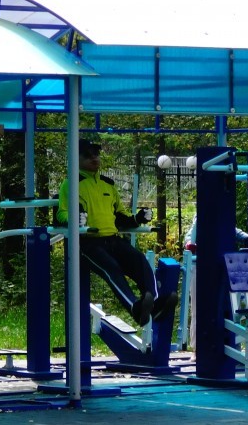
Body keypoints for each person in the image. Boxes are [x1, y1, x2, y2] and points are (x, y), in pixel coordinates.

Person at [57, 139, 179, 326]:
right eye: (87, 155)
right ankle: (135, 308)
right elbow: (61, 213)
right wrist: (74, 218)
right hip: (88, 243)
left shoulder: (108, 184)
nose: (94, 158)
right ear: (76, 158)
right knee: (111, 268)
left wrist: (138, 218)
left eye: (96, 154)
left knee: (139, 259)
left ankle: (154, 304)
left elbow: (120, 215)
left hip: (112, 239)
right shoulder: (70, 184)